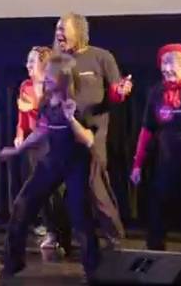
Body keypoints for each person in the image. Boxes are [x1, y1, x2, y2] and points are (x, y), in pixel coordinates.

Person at [0, 53, 100, 278]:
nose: (46, 78)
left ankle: (93, 269)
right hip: (53, 160)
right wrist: (17, 150)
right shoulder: (46, 100)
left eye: (51, 75)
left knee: (79, 215)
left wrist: (71, 118)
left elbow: (88, 140)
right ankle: (13, 263)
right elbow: (41, 130)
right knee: (22, 205)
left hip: (76, 163)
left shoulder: (79, 103)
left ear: (64, 78)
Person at [53, 13, 132, 246]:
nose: (58, 33)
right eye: (57, 28)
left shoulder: (100, 57)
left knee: (97, 190)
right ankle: (78, 244)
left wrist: (121, 92)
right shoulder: (57, 60)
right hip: (64, 133)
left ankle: (117, 242)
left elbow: (115, 92)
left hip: (93, 135)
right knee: (71, 194)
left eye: (63, 28)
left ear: (78, 30)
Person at [130, 43, 181, 250]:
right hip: (168, 159)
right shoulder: (157, 92)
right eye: (163, 63)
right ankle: (154, 257)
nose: (166, 68)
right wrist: (137, 165)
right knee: (158, 209)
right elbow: (147, 131)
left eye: (172, 63)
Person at [12, 46, 69, 250]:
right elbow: (21, 116)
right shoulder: (25, 85)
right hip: (32, 142)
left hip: (51, 141)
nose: (27, 65)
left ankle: (63, 233)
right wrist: (19, 136)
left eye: (32, 61)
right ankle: (50, 230)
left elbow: (50, 113)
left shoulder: (52, 85)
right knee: (36, 188)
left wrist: (33, 108)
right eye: (27, 61)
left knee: (55, 192)